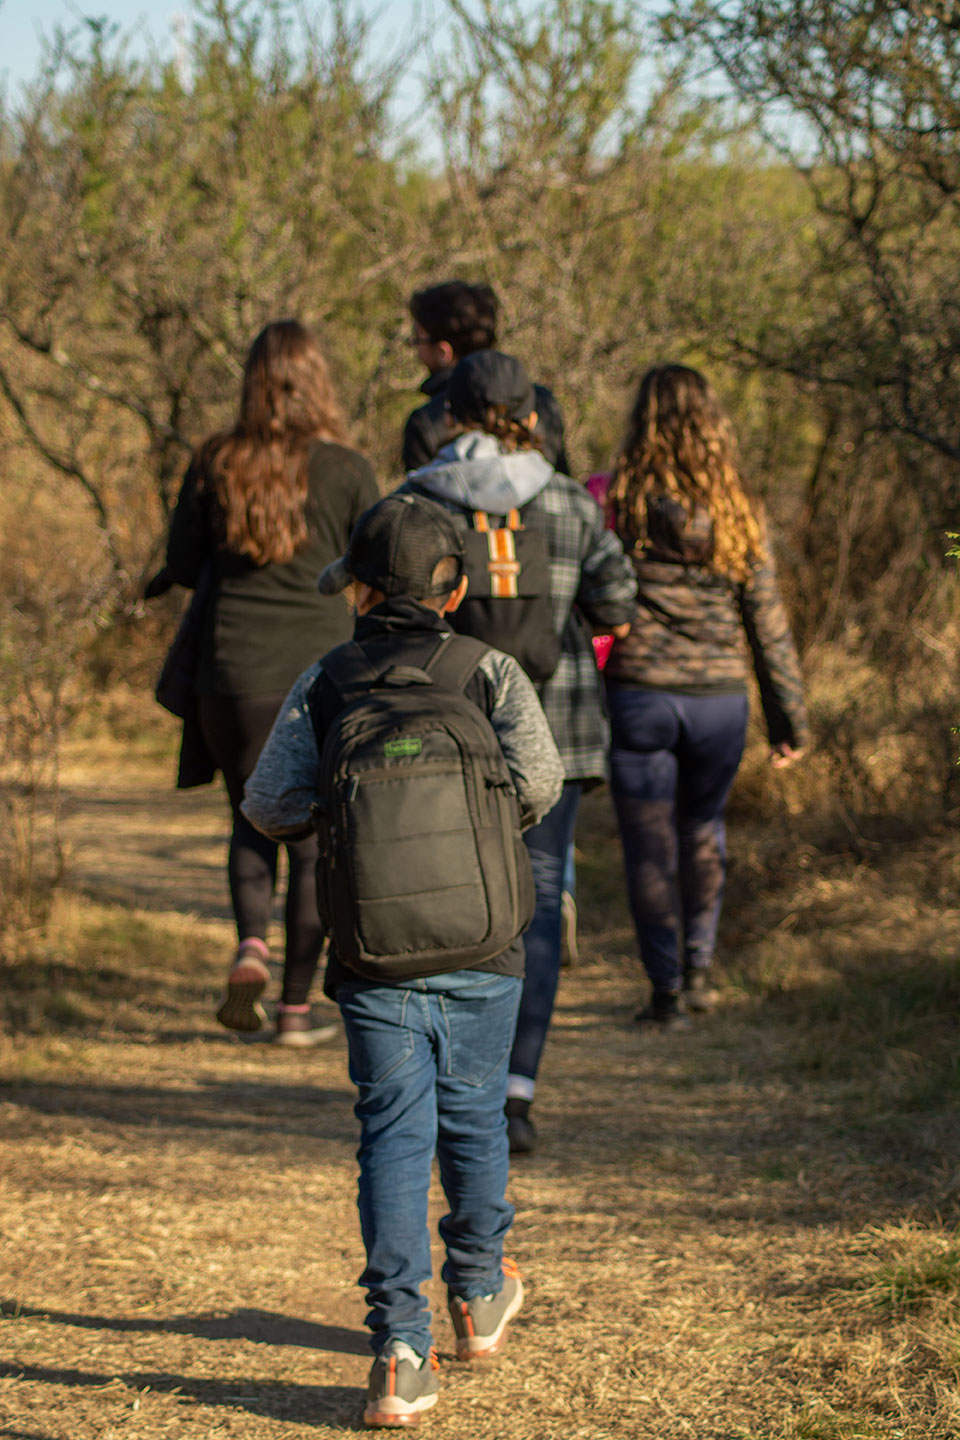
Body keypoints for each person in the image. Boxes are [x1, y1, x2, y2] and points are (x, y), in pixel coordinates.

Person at [241, 492, 564, 1427]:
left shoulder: (328, 679)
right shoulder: (490, 670)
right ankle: (478, 1293)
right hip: (485, 942)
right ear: (455, 589)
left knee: (392, 1133)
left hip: (373, 953)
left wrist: (342, 821)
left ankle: (397, 1351)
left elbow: (269, 805)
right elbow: (540, 782)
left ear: (358, 592)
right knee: (474, 1119)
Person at [402, 350, 637, 1153]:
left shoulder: (417, 498)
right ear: (531, 419)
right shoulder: (571, 502)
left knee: (442, 899)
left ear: (453, 415)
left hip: (437, 734)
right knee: (535, 901)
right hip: (556, 731)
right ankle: (516, 1088)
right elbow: (616, 601)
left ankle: (444, 1077)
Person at [164, 319, 380, 1045]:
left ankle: (249, 944)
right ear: (319, 378)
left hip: (229, 674)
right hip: (315, 675)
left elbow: (185, 560)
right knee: (315, 839)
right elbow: (371, 567)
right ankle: (294, 1009)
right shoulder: (347, 469)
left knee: (248, 818)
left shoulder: (217, 459)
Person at [602, 364, 808, 1027]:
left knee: (648, 848)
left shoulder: (621, 502)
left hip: (640, 694)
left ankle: (664, 991)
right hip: (719, 699)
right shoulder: (738, 508)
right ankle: (699, 970)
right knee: (702, 830)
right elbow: (767, 622)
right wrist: (789, 721)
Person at [402, 279, 571, 474]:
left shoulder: (425, 422)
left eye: (418, 339)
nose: (416, 350)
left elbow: (420, 499)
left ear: (443, 352)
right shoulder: (543, 402)